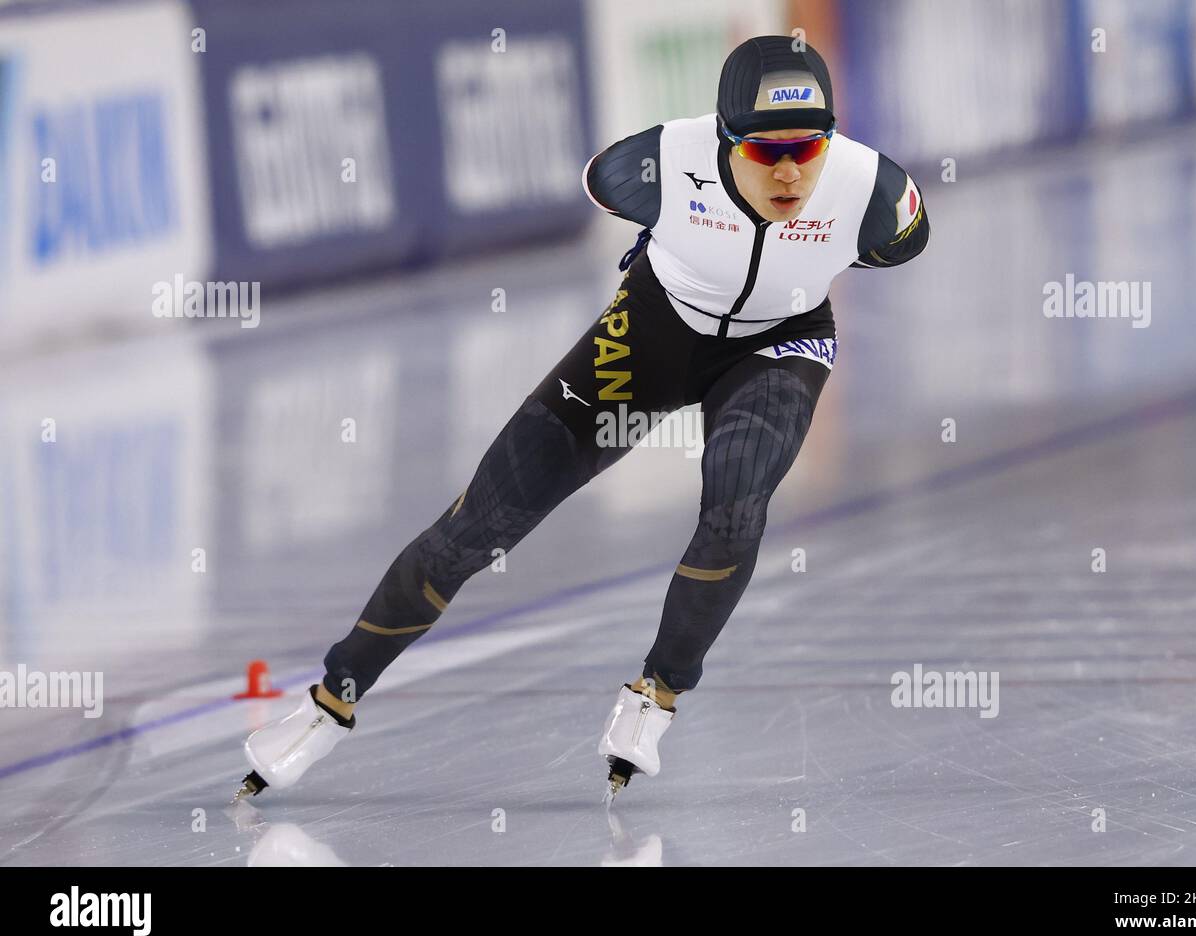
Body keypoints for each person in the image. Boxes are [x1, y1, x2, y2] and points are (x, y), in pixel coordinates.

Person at [235, 35, 929, 804]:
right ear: (723, 140)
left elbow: (898, 243)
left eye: (808, 145)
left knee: (736, 505)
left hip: (780, 346)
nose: (792, 170)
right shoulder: (656, 163)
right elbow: (601, 185)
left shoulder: (873, 189)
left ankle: (655, 695)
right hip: (654, 335)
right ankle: (332, 697)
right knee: (478, 525)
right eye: (766, 152)